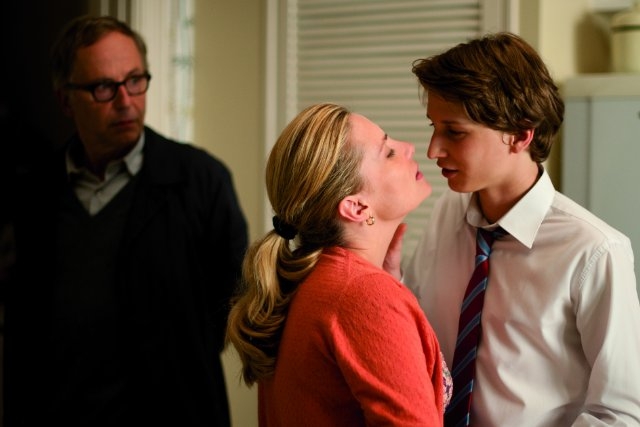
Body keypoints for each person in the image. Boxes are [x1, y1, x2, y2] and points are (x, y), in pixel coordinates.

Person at [4, 15, 248, 427]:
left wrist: (176, 358)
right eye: (103, 87)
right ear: (66, 101)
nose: (125, 101)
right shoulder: (33, 191)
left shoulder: (200, 180)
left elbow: (236, 297)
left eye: (135, 80)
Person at [393, 32, 640, 426]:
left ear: (521, 134)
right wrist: (392, 285)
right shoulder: (446, 213)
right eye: (434, 127)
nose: (433, 150)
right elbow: (424, 338)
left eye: (454, 132)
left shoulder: (594, 251)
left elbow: (620, 413)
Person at [226, 102, 449, 426]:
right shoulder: (364, 296)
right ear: (356, 207)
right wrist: (381, 293)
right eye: (388, 152)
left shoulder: (308, 280)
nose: (409, 147)